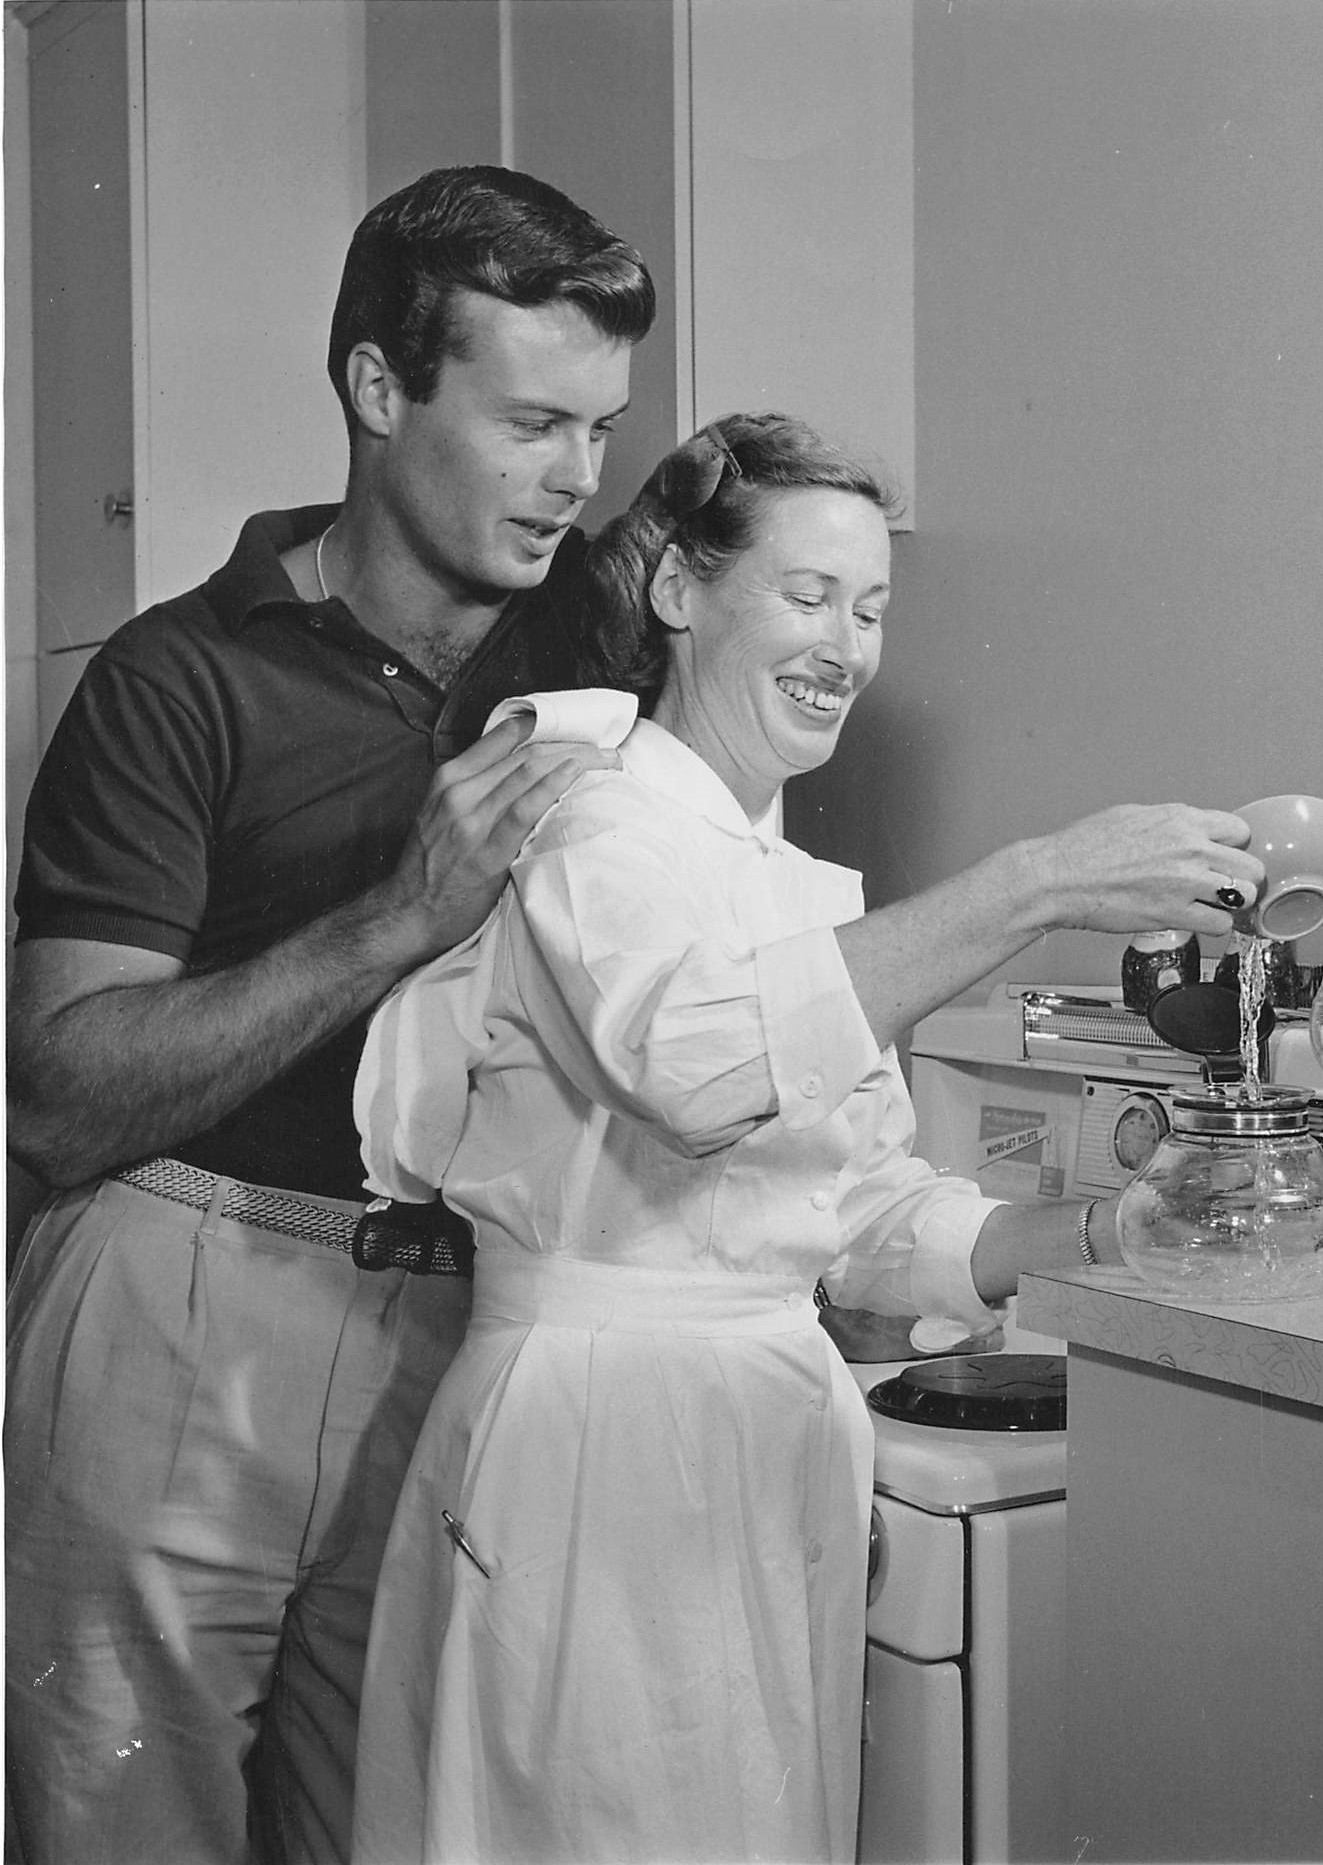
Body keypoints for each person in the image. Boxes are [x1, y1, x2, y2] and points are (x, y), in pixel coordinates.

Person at [346, 413, 1267, 1864]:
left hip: (757, 1439)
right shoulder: (593, 819)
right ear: (677, 592)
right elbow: (698, 1066)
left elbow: (863, 1213)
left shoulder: (792, 885)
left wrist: (1106, 1229)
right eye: (805, 593)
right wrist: (1036, 882)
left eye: (872, 605)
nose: (848, 640)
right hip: (597, 1439)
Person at [5, 166, 655, 1865]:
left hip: (468, 1329)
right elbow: (60, 1096)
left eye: (598, 428)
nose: (574, 476)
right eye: (529, 421)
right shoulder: (176, 678)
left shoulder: (598, 643)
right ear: (378, 389)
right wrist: (398, 913)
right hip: (181, 1290)